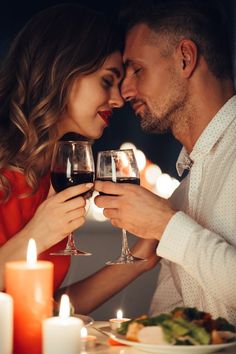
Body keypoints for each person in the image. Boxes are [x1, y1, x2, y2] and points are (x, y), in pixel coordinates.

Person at [0, 3, 159, 313]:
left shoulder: (53, 177)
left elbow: (40, 310)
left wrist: (139, 261)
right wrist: (37, 234)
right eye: (106, 80)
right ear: (62, 71)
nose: (118, 99)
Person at [95, 0, 236, 324]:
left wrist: (167, 225)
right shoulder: (184, 186)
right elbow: (170, 317)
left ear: (185, 58)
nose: (124, 89)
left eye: (137, 70)